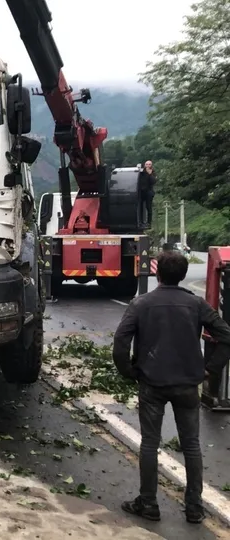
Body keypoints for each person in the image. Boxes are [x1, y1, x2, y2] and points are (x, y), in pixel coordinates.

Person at [113, 251, 230, 523]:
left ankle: (148, 503)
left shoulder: (141, 304)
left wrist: (129, 371)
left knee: (150, 444)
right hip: (188, 385)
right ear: (183, 275)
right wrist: (210, 369)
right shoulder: (197, 304)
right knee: (191, 445)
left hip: (151, 383)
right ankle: (194, 507)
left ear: (158, 274)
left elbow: (120, 342)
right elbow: (226, 336)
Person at [138, 160, 157, 228]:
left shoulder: (153, 172)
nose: (148, 166)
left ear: (151, 165)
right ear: (144, 165)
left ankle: (149, 223)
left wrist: (150, 174)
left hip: (149, 191)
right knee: (140, 207)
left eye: (149, 164)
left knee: (148, 207)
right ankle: (140, 221)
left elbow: (153, 181)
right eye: (147, 164)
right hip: (141, 192)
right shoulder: (141, 172)